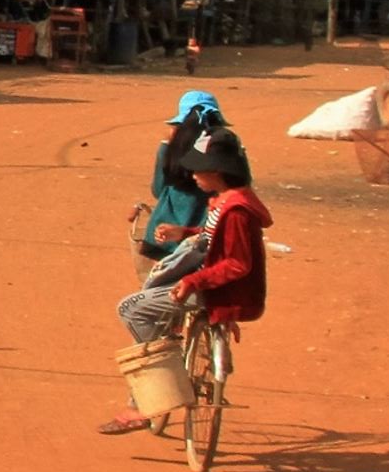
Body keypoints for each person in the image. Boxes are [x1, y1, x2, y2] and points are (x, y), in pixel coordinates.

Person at [99, 124, 272, 435]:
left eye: (198, 170)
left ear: (216, 171)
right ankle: (163, 370)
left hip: (218, 291)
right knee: (149, 310)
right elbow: (212, 239)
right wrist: (185, 234)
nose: (193, 176)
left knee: (131, 308)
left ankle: (158, 386)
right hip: (218, 287)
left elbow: (236, 263)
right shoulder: (228, 202)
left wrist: (194, 281)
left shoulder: (236, 212)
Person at [129, 89, 232, 277]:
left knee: (161, 290)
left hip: (164, 234)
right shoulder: (227, 147)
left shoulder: (168, 148)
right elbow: (241, 187)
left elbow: (158, 190)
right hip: (209, 232)